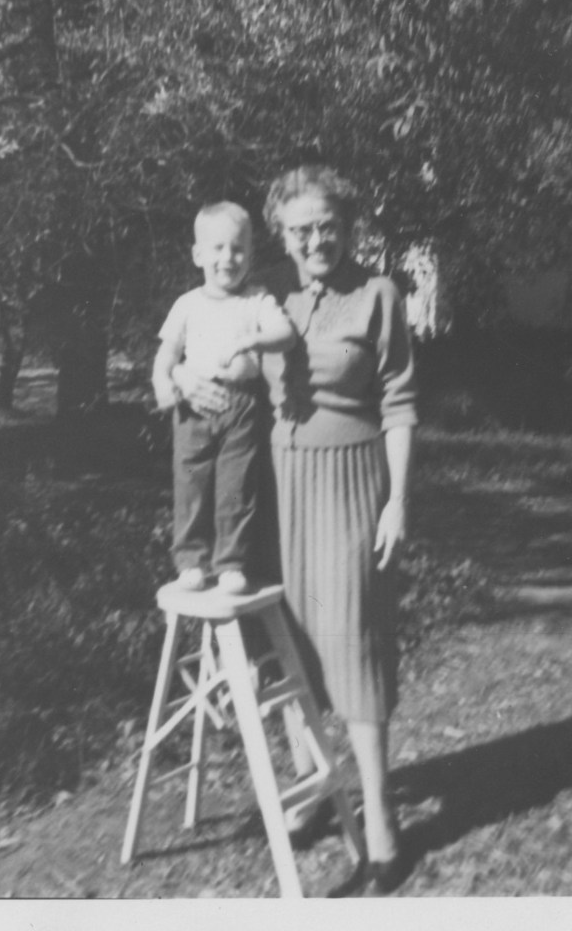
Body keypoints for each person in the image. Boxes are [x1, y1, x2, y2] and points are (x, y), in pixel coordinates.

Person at [173, 167, 417, 892]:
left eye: (327, 226)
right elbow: (199, 348)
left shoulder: (378, 295)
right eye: (301, 230)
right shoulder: (261, 294)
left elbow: (400, 402)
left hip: (351, 485)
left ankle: (379, 817)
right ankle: (313, 789)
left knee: (356, 643)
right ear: (281, 235)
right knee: (286, 645)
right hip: (271, 485)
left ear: (348, 227)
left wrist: (398, 501)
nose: (316, 241)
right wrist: (181, 378)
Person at [152, 201, 296, 594]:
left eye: (237, 249)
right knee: (191, 485)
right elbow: (166, 357)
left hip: (242, 406)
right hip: (194, 408)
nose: (227, 258)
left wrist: (252, 339)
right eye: (217, 248)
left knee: (236, 486)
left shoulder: (257, 299)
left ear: (250, 254)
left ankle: (231, 562)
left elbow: (285, 334)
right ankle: (192, 562)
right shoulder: (187, 304)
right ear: (198, 254)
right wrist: (163, 387)